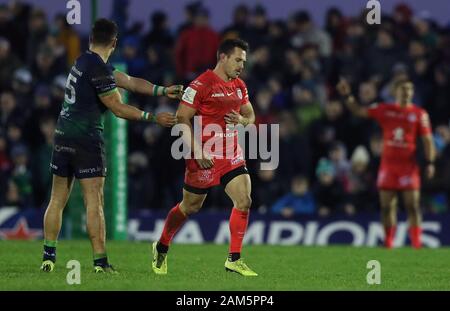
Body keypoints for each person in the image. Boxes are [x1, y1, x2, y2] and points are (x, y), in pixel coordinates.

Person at [40, 19, 183, 273]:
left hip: (62, 136)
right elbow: (117, 108)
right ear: (115, 43)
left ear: (90, 40)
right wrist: (153, 118)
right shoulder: (100, 70)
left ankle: (49, 257)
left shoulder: (84, 61)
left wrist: (163, 91)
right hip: (86, 141)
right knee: (94, 201)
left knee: (57, 198)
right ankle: (100, 263)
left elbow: (129, 81)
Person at [152, 38, 257, 276]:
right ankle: (162, 244)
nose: (241, 65)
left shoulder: (239, 86)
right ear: (223, 57)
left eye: (244, 61)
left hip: (231, 154)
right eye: (238, 60)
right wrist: (197, 151)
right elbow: (181, 119)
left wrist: (242, 121)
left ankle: (234, 259)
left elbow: (250, 116)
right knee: (189, 207)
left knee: (244, 200)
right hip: (203, 156)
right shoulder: (200, 84)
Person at [337, 78, 436, 248]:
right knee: (387, 206)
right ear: (394, 92)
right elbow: (359, 111)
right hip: (388, 166)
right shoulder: (384, 110)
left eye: (410, 90)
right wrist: (348, 96)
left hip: (408, 166)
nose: (407, 93)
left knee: (412, 205)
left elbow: (427, 140)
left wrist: (430, 163)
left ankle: (417, 243)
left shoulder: (420, 114)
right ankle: (388, 242)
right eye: (403, 89)